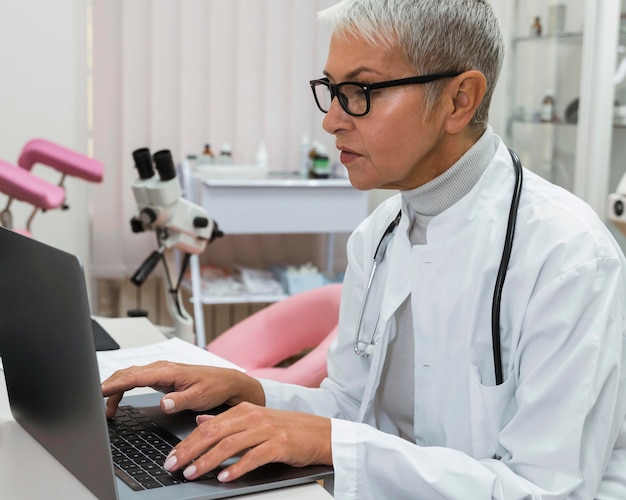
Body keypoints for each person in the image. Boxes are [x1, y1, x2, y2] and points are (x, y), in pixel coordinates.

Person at [102, 0, 626, 498]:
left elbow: (544, 490)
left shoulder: (569, 258)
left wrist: (331, 442)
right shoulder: (378, 236)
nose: (332, 119)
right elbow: (353, 406)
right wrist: (249, 392)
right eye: (331, 89)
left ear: (458, 100)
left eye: (360, 91)